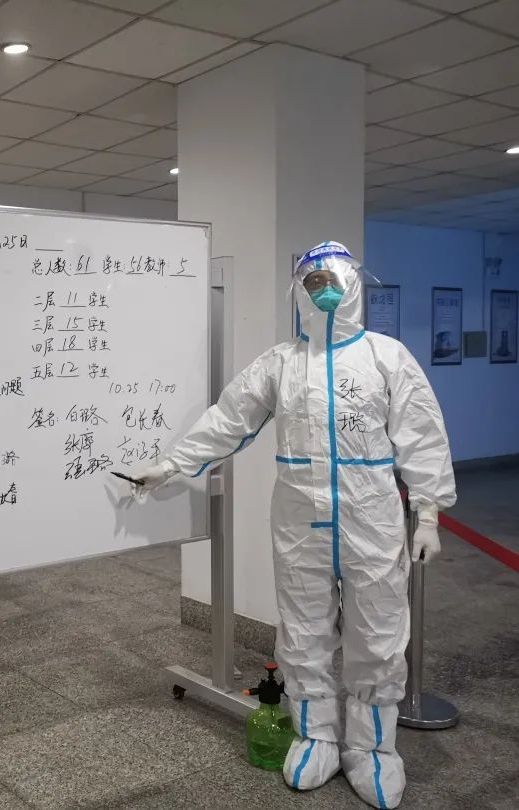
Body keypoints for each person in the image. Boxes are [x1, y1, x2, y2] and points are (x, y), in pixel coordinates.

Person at [132, 242, 455, 809]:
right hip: (300, 521)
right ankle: (317, 736)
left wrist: (427, 513)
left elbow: (422, 435)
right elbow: (228, 419)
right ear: (299, 292)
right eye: (312, 282)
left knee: (378, 634)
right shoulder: (280, 363)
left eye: (333, 280)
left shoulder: (387, 357)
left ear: (353, 285)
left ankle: (374, 748)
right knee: (304, 631)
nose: (324, 290)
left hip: (372, 519)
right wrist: (173, 464)